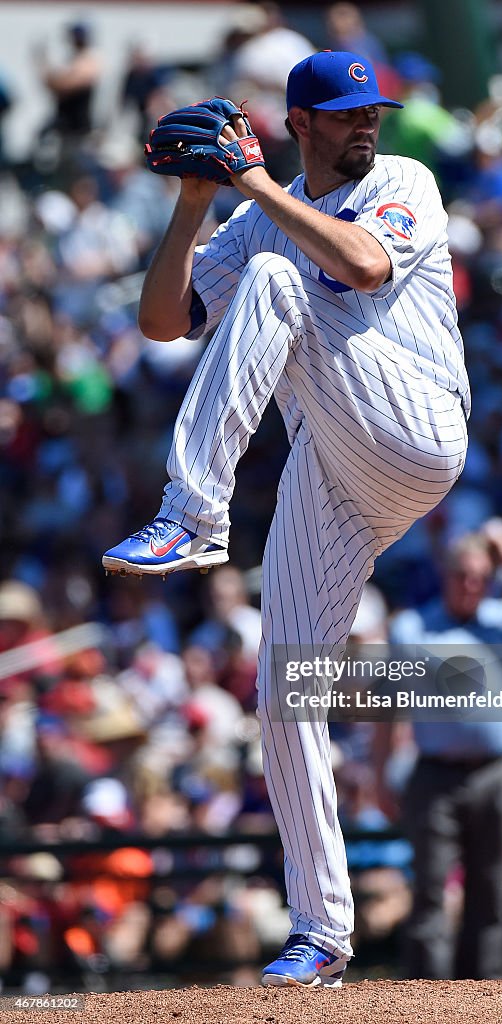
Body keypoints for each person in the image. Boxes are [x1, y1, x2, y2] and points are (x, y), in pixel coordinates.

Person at [102, 51, 470, 987]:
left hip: (416, 424)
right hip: (334, 466)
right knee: (285, 684)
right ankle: (320, 932)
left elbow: (358, 260)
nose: (364, 127)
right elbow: (160, 322)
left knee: (274, 280)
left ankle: (193, 514)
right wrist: (194, 204)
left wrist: (254, 181)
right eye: (345, 115)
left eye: (370, 112)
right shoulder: (251, 212)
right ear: (300, 121)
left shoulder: (403, 182)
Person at [380, 520, 502, 980]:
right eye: (461, 575)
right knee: (429, 888)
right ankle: (424, 1000)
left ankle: (482, 996)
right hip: (434, 774)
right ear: (444, 575)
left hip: (497, 773)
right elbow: (387, 709)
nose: (471, 585)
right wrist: (379, 777)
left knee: (489, 888)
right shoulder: (412, 627)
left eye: (480, 577)